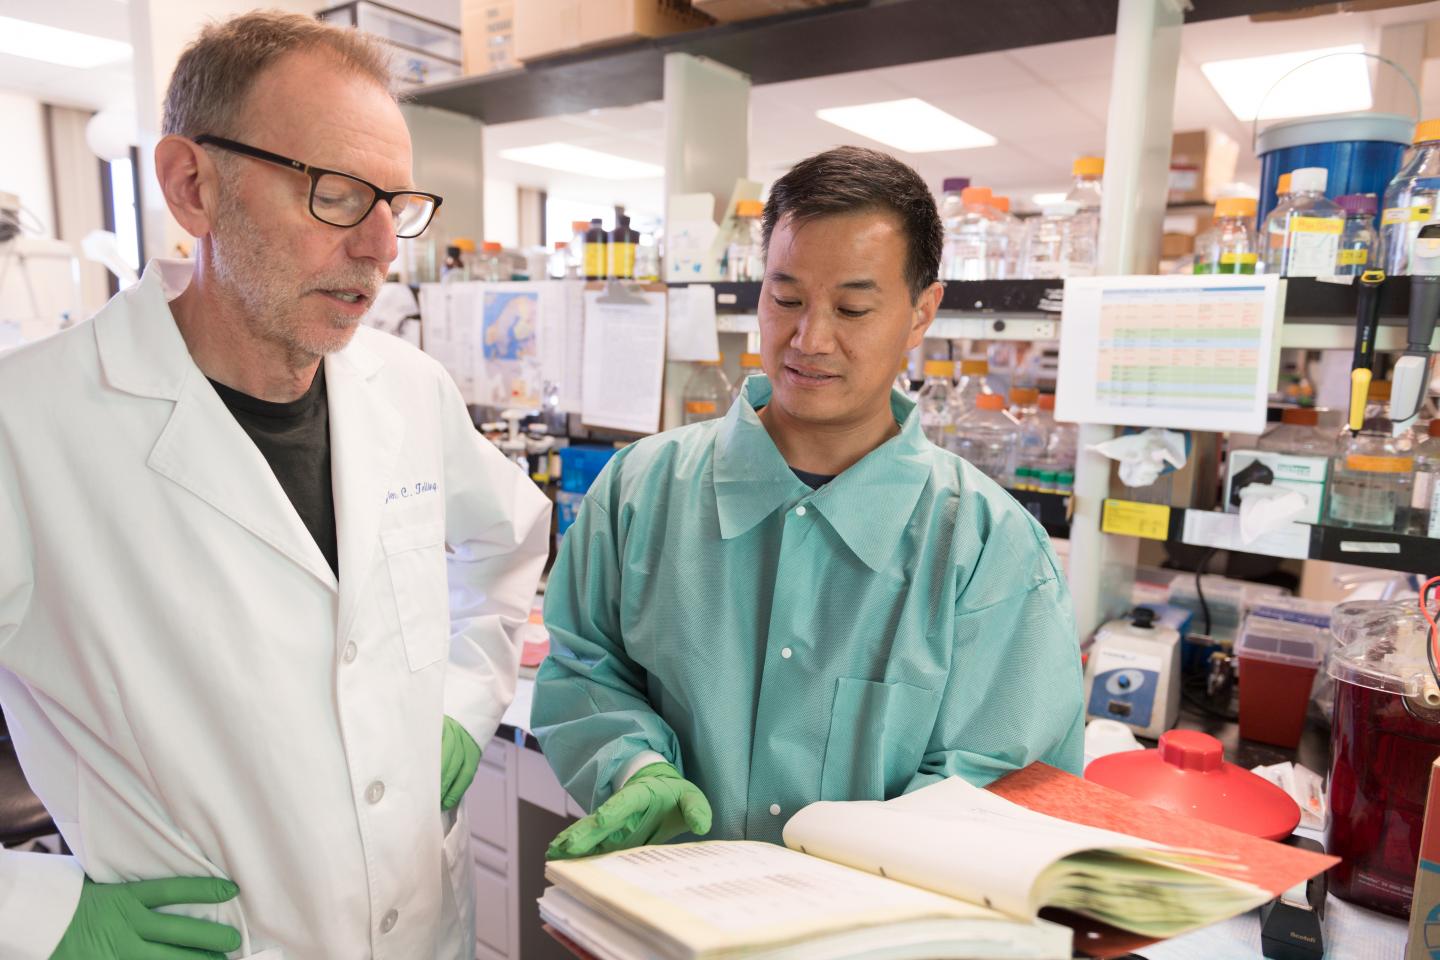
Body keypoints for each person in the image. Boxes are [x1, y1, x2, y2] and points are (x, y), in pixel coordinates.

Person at [0, 13, 549, 959]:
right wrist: (35, 916)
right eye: (338, 195)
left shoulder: (408, 390)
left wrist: (462, 704)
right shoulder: (28, 426)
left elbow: (505, 549)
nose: (382, 246)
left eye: (398, 204)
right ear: (191, 186)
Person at [533, 146, 1083, 859]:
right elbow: (582, 668)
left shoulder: (988, 550)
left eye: (853, 307)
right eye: (785, 298)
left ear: (922, 313)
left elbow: (1010, 784)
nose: (809, 339)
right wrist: (634, 764)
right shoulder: (640, 492)